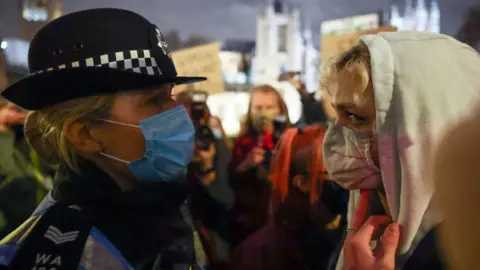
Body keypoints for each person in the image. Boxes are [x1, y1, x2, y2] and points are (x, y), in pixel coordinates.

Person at [0, 8, 208, 270]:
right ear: (85, 134)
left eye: (171, 95)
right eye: (153, 100)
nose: (177, 113)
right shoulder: (53, 254)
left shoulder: (162, 206)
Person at [320, 31, 480, 269]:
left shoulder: (461, 251)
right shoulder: (365, 219)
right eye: (337, 115)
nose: (332, 137)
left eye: (354, 117)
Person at [230, 125, 348, 270]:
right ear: (302, 183)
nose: (345, 180)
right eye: (332, 172)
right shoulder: (264, 253)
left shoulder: (343, 229)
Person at [175, 90, 234, 268]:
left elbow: (226, 198)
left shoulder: (212, 140)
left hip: (214, 233)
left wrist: (208, 164)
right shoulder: (168, 148)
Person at [228, 84, 291, 246]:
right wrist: (247, 165)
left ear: (280, 110)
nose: (263, 113)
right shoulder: (242, 143)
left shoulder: (291, 140)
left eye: (269, 107)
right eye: (258, 108)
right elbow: (230, 180)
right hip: (250, 225)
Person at [0, 102, 53, 238]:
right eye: (11, 109)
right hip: (9, 227)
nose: (18, 114)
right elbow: (9, 173)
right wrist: (3, 131)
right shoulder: (5, 140)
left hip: (37, 219)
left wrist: (34, 130)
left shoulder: (20, 140)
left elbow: (52, 164)